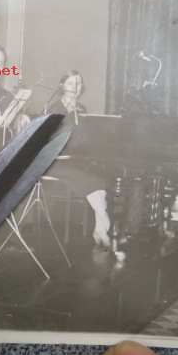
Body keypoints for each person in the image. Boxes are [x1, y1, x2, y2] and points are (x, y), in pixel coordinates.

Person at [44, 69, 111, 248]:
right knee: (89, 178)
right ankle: (102, 220)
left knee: (99, 175)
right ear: (62, 86)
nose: (75, 87)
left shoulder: (81, 110)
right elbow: (50, 140)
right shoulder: (53, 108)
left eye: (79, 83)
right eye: (71, 83)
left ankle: (100, 224)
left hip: (72, 159)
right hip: (54, 161)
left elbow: (83, 141)